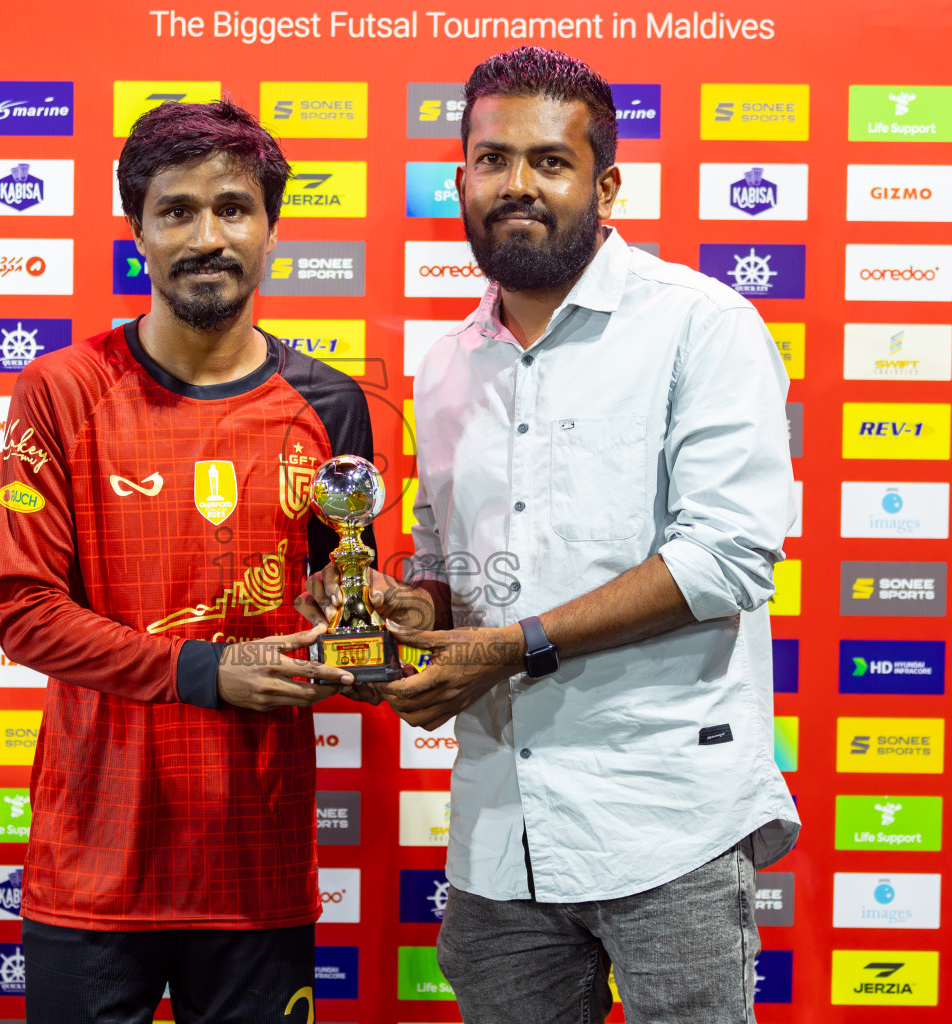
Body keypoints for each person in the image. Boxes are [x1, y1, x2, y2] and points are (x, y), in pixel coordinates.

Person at [304, 47, 799, 1023]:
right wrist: (409, 606)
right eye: (492, 159)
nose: (517, 184)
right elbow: (453, 566)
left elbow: (729, 553)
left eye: (549, 160)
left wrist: (508, 646)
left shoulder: (702, 326)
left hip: (670, 819)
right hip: (501, 828)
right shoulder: (446, 364)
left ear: (606, 183)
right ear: (460, 179)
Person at [0, 98, 374, 1024]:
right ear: (137, 231)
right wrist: (205, 670)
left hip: (255, 865)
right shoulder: (63, 389)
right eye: (177, 211)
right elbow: (25, 611)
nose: (209, 236)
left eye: (234, 208)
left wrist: (373, 635)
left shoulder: (330, 404)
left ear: (271, 227)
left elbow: (345, 603)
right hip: (94, 864)